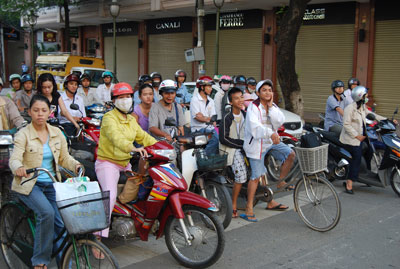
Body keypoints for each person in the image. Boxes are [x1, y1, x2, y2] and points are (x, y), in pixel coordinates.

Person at [9, 94, 82, 269]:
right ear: (29, 112)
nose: (40, 114)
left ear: (50, 112)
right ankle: (40, 261)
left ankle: (65, 264)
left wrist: (77, 166)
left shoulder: (57, 133)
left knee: (62, 224)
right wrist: (19, 168)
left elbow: (65, 158)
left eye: (44, 110)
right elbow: (15, 159)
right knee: (46, 213)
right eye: (36, 110)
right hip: (29, 184)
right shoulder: (23, 135)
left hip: (51, 183)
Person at [95, 82, 157, 238]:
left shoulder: (130, 120)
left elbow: (144, 137)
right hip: (107, 164)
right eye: (121, 97)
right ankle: (98, 237)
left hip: (125, 163)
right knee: (109, 198)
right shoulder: (109, 118)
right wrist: (133, 148)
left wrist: (162, 146)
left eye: (128, 96)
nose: (125, 100)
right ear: (114, 100)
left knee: (145, 185)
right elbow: (117, 139)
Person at [242, 80, 294, 222]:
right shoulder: (253, 107)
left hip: (270, 142)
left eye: (270, 90)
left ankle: (280, 183)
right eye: (264, 90)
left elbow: (279, 121)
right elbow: (255, 128)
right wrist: (270, 133)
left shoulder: (273, 106)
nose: (268, 92)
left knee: (290, 154)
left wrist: (271, 107)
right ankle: (249, 208)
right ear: (258, 93)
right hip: (256, 144)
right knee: (257, 176)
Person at [339, 86, 386, 194]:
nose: (367, 98)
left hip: (361, 138)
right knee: (357, 158)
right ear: (360, 96)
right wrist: (356, 135)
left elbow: (372, 115)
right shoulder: (350, 108)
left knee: (369, 151)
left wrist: (386, 120)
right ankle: (349, 183)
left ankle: (365, 175)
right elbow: (346, 124)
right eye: (366, 96)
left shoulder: (362, 107)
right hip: (350, 140)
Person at [219, 87, 247, 218]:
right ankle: (234, 203)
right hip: (230, 150)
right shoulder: (227, 118)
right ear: (230, 102)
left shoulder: (245, 115)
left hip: (245, 147)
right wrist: (241, 144)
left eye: (241, 97)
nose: (240, 100)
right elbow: (223, 139)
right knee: (240, 176)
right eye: (236, 98)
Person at [190, 76, 219, 155]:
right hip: (198, 129)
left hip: (210, 129)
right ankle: (206, 158)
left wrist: (205, 118)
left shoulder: (211, 101)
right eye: (209, 86)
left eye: (211, 87)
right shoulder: (195, 100)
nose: (211, 89)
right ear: (202, 87)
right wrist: (208, 119)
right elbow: (197, 117)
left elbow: (213, 119)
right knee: (215, 140)